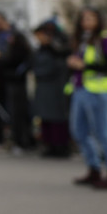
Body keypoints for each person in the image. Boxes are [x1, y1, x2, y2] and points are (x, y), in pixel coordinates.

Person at [67, 8, 107, 190]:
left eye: (91, 18)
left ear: (98, 20)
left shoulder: (105, 38)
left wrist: (84, 65)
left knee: (103, 131)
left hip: (99, 90)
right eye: (84, 18)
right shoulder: (82, 39)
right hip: (80, 88)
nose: (86, 22)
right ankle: (94, 168)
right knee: (79, 130)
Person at [0, 13, 34, 154]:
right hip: (7, 79)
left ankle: (22, 142)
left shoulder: (16, 36)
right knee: (13, 111)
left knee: (18, 112)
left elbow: (16, 58)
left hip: (16, 80)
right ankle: (20, 140)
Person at [30, 21, 71, 158]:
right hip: (44, 87)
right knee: (45, 117)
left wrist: (41, 72)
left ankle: (60, 146)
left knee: (57, 118)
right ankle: (49, 145)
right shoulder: (41, 49)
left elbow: (58, 66)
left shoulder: (57, 48)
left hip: (56, 87)